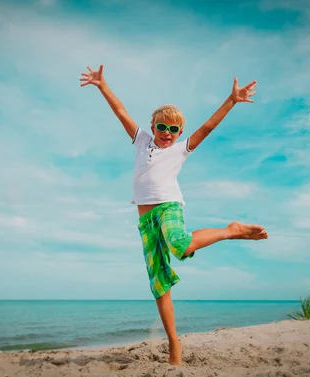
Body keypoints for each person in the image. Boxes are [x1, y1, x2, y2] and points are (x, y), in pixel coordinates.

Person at [80, 65, 268, 366]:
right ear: (152, 127)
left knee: (180, 244)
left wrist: (231, 101)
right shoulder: (141, 140)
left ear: (179, 133)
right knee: (159, 283)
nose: (167, 133)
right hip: (145, 220)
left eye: (173, 129)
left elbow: (207, 127)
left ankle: (231, 230)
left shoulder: (179, 150)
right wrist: (102, 85)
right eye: (162, 127)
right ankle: (174, 344)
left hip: (169, 207)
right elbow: (120, 110)